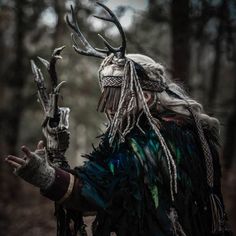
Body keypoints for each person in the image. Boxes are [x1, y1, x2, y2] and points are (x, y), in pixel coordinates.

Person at [5, 3, 231, 236]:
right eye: (107, 98)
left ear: (144, 96)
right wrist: (55, 160)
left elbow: (95, 192)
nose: (110, 109)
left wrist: (46, 176)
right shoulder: (187, 129)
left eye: (116, 98)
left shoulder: (147, 143)